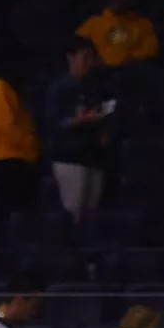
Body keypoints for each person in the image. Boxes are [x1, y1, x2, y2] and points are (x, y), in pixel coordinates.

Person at [43, 38, 116, 226]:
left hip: (94, 157)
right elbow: (53, 123)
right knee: (73, 213)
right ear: (71, 58)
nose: (89, 63)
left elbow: (108, 109)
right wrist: (79, 120)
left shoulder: (95, 86)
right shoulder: (58, 88)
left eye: (92, 58)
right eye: (85, 57)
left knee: (92, 215)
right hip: (69, 158)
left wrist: (104, 128)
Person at [0, 64, 39, 211]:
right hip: (8, 160)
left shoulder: (9, 88)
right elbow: (7, 126)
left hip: (20, 157)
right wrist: (28, 144)